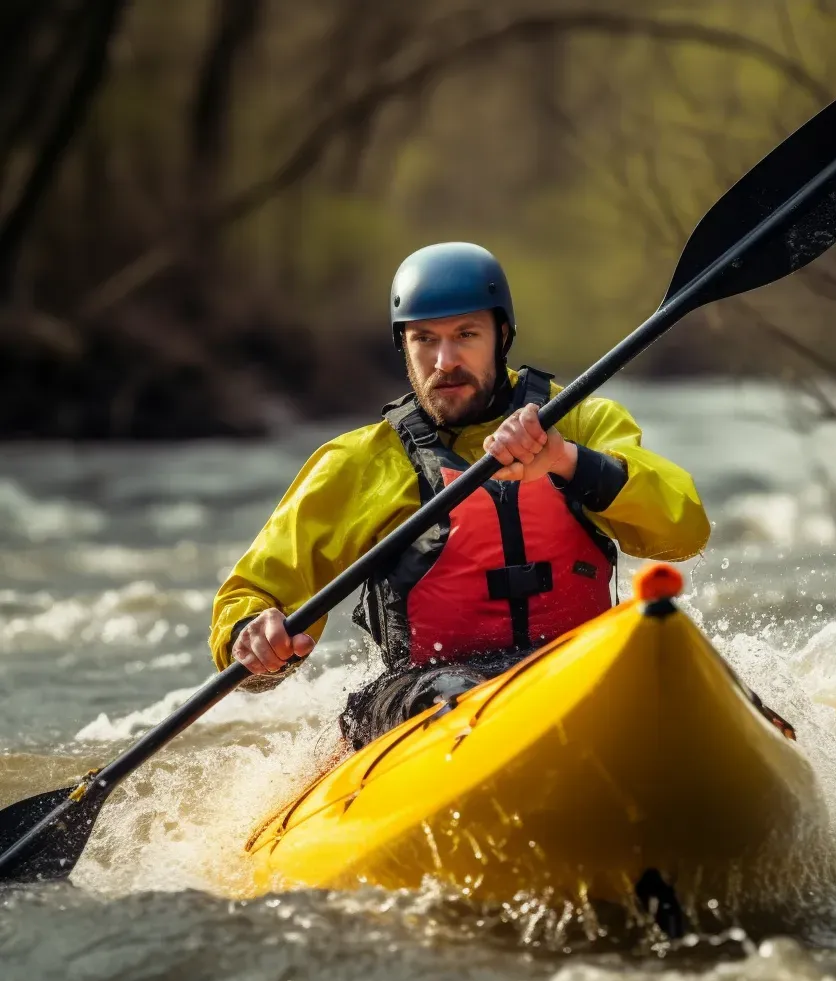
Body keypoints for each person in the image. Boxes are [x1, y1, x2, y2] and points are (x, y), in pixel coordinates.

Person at [209, 242, 711, 749]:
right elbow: (251, 598)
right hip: (427, 694)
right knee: (453, 696)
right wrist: (252, 634)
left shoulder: (582, 421)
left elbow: (684, 532)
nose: (444, 362)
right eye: (424, 339)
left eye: (466, 335)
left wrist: (567, 461)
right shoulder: (358, 464)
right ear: (403, 346)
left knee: (657, 642)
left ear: (502, 336)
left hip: (575, 664)